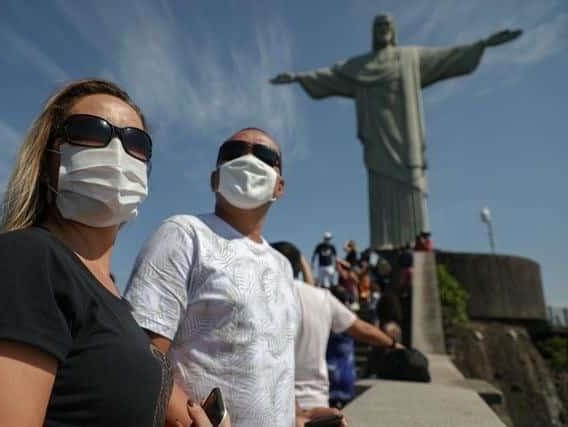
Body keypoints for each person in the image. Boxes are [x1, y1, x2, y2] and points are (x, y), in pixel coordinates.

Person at [0, 79, 218, 426]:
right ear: (48, 157)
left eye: (135, 142)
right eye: (89, 132)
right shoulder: (22, 263)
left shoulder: (113, 301)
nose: (116, 151)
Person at [124, 129, 340, 427]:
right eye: (234, 152)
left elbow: (275, 361)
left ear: (280, 187)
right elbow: (139, 358)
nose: (248, 159)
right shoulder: (184, 234)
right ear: (215, 179)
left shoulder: (282, 265)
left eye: (264, 156)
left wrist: (297, 415)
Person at [271, 14, 522, 249]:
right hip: (378, 137)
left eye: (387, 25)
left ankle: (419, 242)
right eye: (379, 25)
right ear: (373, 32)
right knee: (381, 185)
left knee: (411, 182)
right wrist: (299, 77)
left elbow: (448, 56)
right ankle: (385, 243)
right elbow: (331, 75)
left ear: (393, 31)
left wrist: (481, 45)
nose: (383, 29)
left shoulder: (410, 57)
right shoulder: (360, 65)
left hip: (406, 136)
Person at [271, 241, 401, 411]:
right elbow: (363, 329)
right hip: (315, 403)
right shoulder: (322, 298)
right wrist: (392, 344)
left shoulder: (261, 297)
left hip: (274, 405)